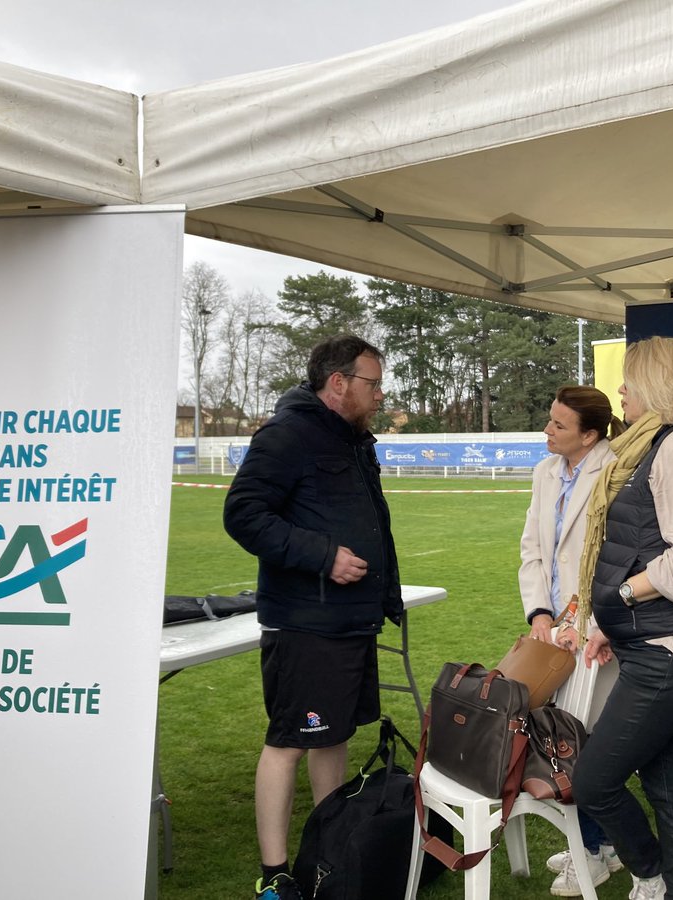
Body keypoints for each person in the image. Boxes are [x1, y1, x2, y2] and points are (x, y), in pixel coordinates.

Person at [223, 334, 401, 900]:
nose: (379, 394)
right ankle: (274, 875)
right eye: (373, 383)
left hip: (351, 621)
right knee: (289, 741)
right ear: (339, 382)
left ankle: (330, 847)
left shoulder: (353, 440)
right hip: (306, 625)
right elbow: (244, 514)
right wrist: (322, 556)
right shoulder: (288, 435)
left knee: (335, 735)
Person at [573, 336, 673, 900]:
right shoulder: (656, 445)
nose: (621, 390)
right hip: (656, 645)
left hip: (671, 653)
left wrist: (620, 598)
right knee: (669, 789)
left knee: (592, 783)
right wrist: (609, 625)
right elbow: (645, 545)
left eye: (631, 379)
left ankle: (652, 874)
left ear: (663, 383)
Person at [518, 384, 626, 896]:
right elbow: (533, 550)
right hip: (554, 631)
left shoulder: (615, 470)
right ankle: (598, 844)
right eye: (550, 419)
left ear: (590, 434)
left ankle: (596, 850)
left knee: (583, 747)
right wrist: (541, 614)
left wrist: (577, 622)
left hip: (595, 633)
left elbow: (612, 561)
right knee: (564, 741)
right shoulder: (544, 472)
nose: (547, 429)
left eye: (559, 424)